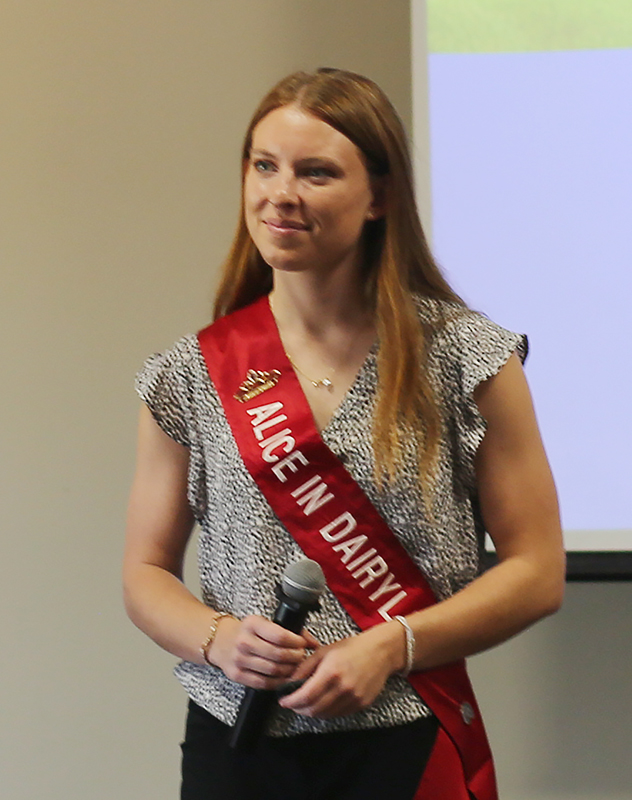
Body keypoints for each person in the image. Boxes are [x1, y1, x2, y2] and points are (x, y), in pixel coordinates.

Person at [123, 68, 565, 800]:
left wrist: (392, 646)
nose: (281, 193)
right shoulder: (189, 374)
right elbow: (145, 572)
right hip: (239, 741)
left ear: (380, 196)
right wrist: (218, 639)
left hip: (406, 734)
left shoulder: (467, 358)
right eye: (264, 166)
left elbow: (538, 572)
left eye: (316, 172)